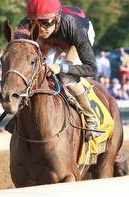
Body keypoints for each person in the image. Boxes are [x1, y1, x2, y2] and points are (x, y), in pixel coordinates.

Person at [20, 0, 100, 136]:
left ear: (57, 19)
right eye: (35, 23)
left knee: (66, 78)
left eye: (46, 23)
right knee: (41, 69)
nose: (41, 29)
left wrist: (61, 67)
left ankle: (90, 117)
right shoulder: (25, 26)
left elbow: (91, 68)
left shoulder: (75, 28)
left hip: (73, 37)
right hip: (54, 39)